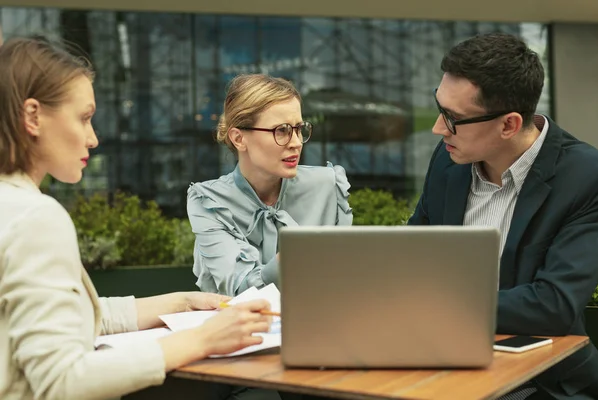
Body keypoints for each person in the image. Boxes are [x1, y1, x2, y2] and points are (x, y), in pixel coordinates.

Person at [0, 36, 273, 400]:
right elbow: (62, 380)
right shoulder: (35, 217)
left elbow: (67, 320)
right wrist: (202, 340)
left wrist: (180, 303)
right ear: (32, 116)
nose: (93, 138)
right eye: (83, 118)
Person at [408, 32, 598, 399]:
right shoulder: (449, 157)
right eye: (439, 107)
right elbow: (415, 254)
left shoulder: (587, 177)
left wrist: (437, 306)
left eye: (453, 118)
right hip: (437, 358)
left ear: (509, 124)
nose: (437, 128)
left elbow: (553, 305)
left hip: (539, 380)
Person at [187, 73, 352, 296]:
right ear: (239, 138)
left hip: (320, 324)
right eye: (281, 130)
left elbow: (343, 279)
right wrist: (297, 253)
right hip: (240, 328)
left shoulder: (328, 186)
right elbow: (242, 291)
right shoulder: (209, 202)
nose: (295, 143)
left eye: (299, 129)